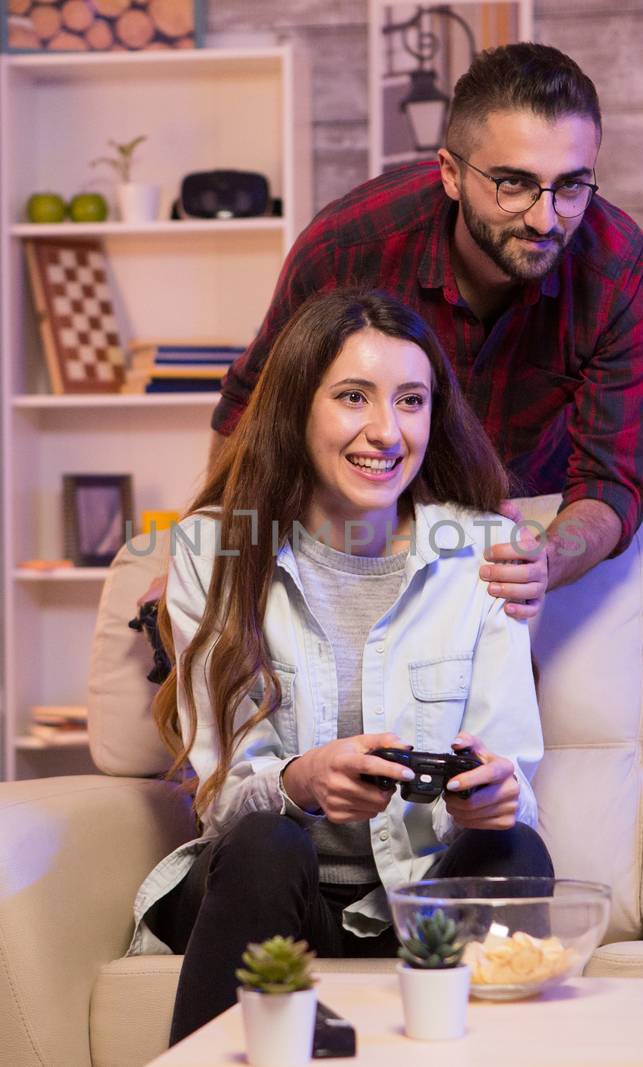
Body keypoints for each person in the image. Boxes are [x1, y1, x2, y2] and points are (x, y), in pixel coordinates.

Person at [128, 290, 553, 1044]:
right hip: (270, 890)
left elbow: (513, 778)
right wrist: (299, 782)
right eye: (353, 396)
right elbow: (220, 797)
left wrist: (495, 796)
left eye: (411, 401)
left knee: (517, 847)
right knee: (267, 841)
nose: (386, 431)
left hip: (416, 904)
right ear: (298, 407)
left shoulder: (482, 552)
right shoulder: (210, 552)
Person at [207, 42, 643, 620]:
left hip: (525, 525)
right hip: (361, 520)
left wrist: (546, 558)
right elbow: (248, 411)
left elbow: (611, 484)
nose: (544, 218)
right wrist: (219, 566)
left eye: (572, 186)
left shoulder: (626, 279)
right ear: (451, 173)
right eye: (513, 183)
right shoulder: (348, 247)